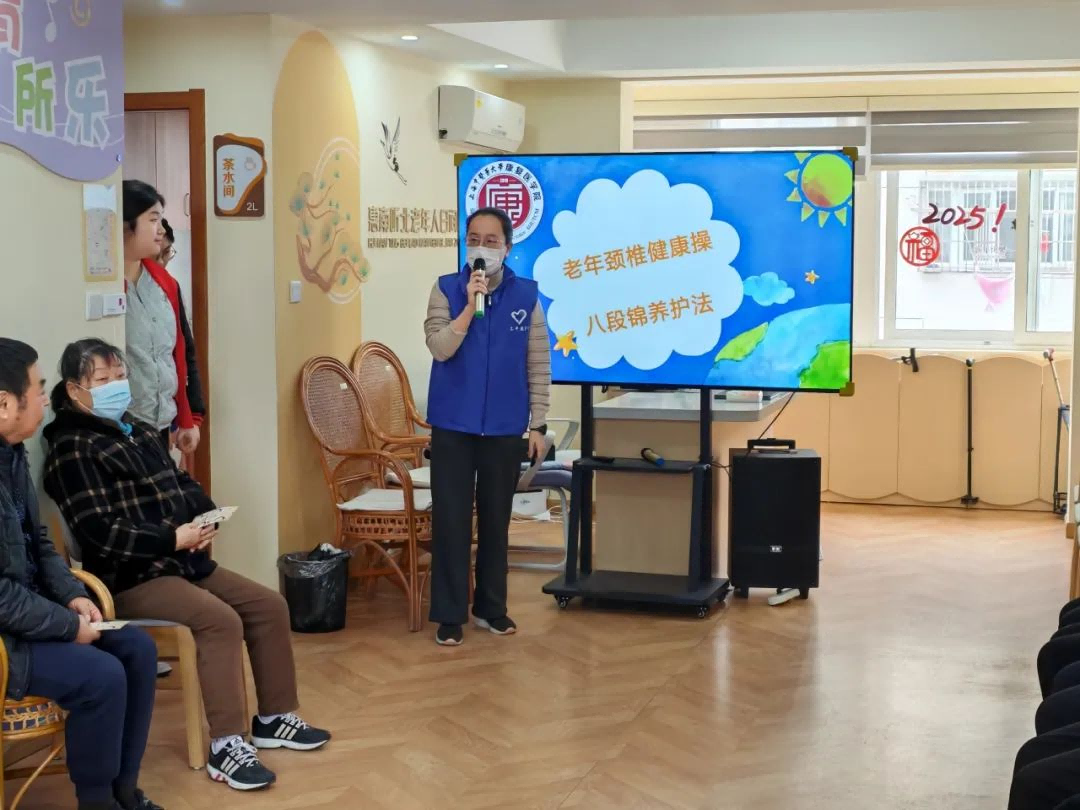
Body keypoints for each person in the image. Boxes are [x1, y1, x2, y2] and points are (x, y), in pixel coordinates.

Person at [43, 339, 330, 792]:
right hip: (130, 578)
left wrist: (205, 516)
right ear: (76, 390)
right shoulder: (71, 449)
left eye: (120, 376)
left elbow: (182, 482)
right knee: (219, 620)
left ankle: (274, 718)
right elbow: (100, 532)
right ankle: (227, 745)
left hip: (182, 561)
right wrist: (172, 538)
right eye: (103, 380)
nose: (116, 385)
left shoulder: (137, 429)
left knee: (269, 605)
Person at [0, 338, 161, 810]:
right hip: (6, 645)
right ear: (5, 404)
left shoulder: (12, 454)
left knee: (136, 648)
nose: (44, 399)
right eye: (38, 389)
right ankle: (97, 802)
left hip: (33, 618)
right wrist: (69, 627)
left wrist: (72, 595)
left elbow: (38, 542)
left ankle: (123, 790)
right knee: (101, 676)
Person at [423, 206, 552, 646]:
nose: (481, 247)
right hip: (453, 426)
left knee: (496, 521)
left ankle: (491, 608)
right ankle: (449, 614)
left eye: (491, 240)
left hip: (504, 427)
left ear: (507, 247)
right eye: (474, 239)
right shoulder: (446, 288)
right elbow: (439, 347)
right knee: (451, 521)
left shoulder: (527, 296)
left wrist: (538, 424)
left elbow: (538, 363)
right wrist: (468, 307)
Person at [122, 181, 205, 458]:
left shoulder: (165, 283)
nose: (161, 230)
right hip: (124, 432)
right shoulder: (103, 287)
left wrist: (189, 418)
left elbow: (182, 353)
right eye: (153, 219)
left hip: (165, 429)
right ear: (126, 224)